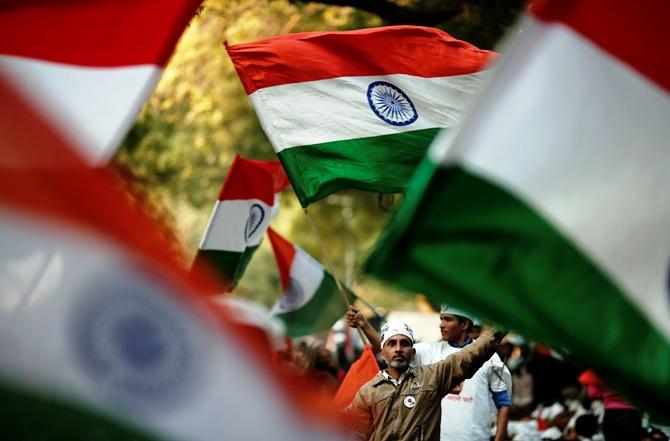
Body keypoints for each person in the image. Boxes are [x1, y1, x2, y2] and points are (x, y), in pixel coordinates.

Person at [346, 305, 511, 441]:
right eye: (392, 344)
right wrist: (364, 324)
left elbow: (470, 356)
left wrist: (504, 325)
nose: (398, 349)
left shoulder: (432, 378)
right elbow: (355, 434)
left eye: (404, 343)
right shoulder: (368, 392)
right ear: (382, 353)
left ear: (412, 352)